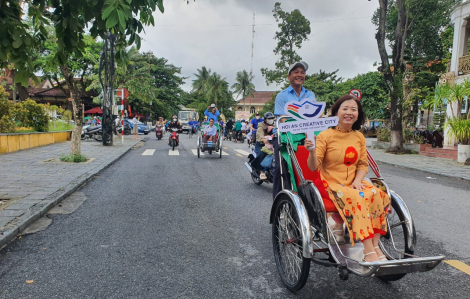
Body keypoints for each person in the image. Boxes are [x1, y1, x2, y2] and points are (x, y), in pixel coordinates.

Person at [304, 95, 391, 262]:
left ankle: (375, 246)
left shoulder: (359, 137)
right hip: (330, 183)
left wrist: (358, 181)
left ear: (358, 114)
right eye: (345, 109)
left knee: (378, 194)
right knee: (359, 197)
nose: (349, 112)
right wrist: (312, 151)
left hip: (354, 183)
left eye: (354, 109)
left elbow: (363, 165)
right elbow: (314, 167)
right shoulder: (325, 135)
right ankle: (368, 251)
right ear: (336, 112)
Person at [273, 61, 316, 200]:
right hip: (285, 137)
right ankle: (278, 205)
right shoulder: (282, 96)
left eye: (302, 72)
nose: (299, 75)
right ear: (289, 76)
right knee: (281, 170)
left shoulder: (310, 95)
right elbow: (283, 119)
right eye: (296, 72)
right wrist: (301, 127)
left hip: (307, 135)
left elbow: (315, 116)